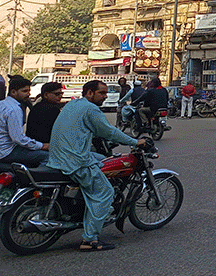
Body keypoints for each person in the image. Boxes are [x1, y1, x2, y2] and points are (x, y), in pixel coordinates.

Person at [49, 80, 146, 251]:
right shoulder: (91, 109)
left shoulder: (73, 104)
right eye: (101, 93)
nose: (105, 96)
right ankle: (90, 240)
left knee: (102, 158)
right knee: (105, 192)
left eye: (105, 93)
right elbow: (109, 131)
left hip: (57, 156)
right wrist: (135, 142)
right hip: (75, 160)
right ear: (89, 93)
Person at [0, 75, 49, 167]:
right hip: (6, 152)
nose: (28, 94)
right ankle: (37, 180)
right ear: (13, 92)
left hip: (5, 149)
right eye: (24, 91)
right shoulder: (14, 109)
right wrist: (42, 146)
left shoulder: (3, 104)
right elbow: (18, 138)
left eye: (29, 91)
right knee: (47, 156)